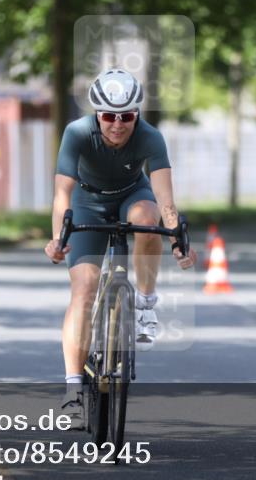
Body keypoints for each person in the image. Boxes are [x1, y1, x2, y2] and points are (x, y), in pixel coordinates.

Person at [44, 69, 197, 428]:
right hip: (87, 203)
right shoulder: (77, 133)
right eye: (109, 116)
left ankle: (145, 303)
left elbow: (166, 201)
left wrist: (178, 243)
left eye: (126, 116)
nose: (117, 124)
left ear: (137, 114)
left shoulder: (150, 137)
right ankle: (73, 392)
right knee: (83, 290)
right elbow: (62, 194)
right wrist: (58, 239)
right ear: (97, 113)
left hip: (133, 195)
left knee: (148, 217)